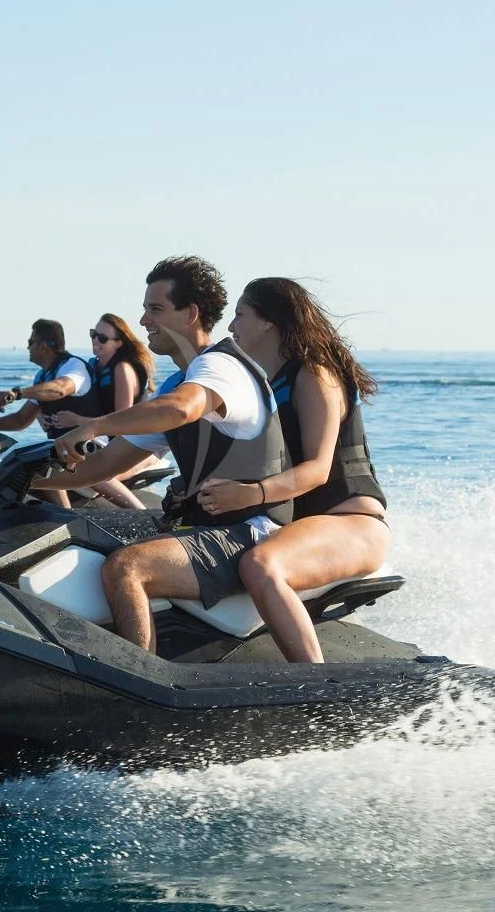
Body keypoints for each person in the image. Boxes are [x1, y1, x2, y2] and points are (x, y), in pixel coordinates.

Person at [33, 256, 293, 654]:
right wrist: (31, 479)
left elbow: (182, 408)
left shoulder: (220, 367)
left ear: (190, 313)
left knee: (127, 567)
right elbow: (104, 465)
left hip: (249, 532)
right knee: (90, 533)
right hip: (211, 527)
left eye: (155, 309)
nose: (143, 321)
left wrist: (97, 424)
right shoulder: (180, 379)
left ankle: (140, 679)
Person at [194, 277, 389, 663]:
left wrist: (249, 493)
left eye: (240, 315)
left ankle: (315, 688)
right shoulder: (267, 381)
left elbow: (317, 469)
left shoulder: (315, 373)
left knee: (260, 565)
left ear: (268, 322)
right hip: (306, 526)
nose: (231, 326)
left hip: (353, 522)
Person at [46, 314, 160, 509]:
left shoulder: (122, 368)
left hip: (136, 443)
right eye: (93, 334)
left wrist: (76, 419)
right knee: (49, 463)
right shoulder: (92, 366)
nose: (95, 341)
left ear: (118, 343)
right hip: (104, 442)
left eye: (103, 338)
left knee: (94, 472)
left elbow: (124, 420)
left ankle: (144, 518)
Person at [0, 318, 99, 508]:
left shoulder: (72, 366)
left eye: (31, 342)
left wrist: (17, 393)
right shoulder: (43, 376)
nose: (27, 347)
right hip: (64, 448)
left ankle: (67, 517)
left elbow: (60, 389)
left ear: (43, 346)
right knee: (24, 459)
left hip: (90, 445)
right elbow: (21, 420)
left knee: (44, 461)